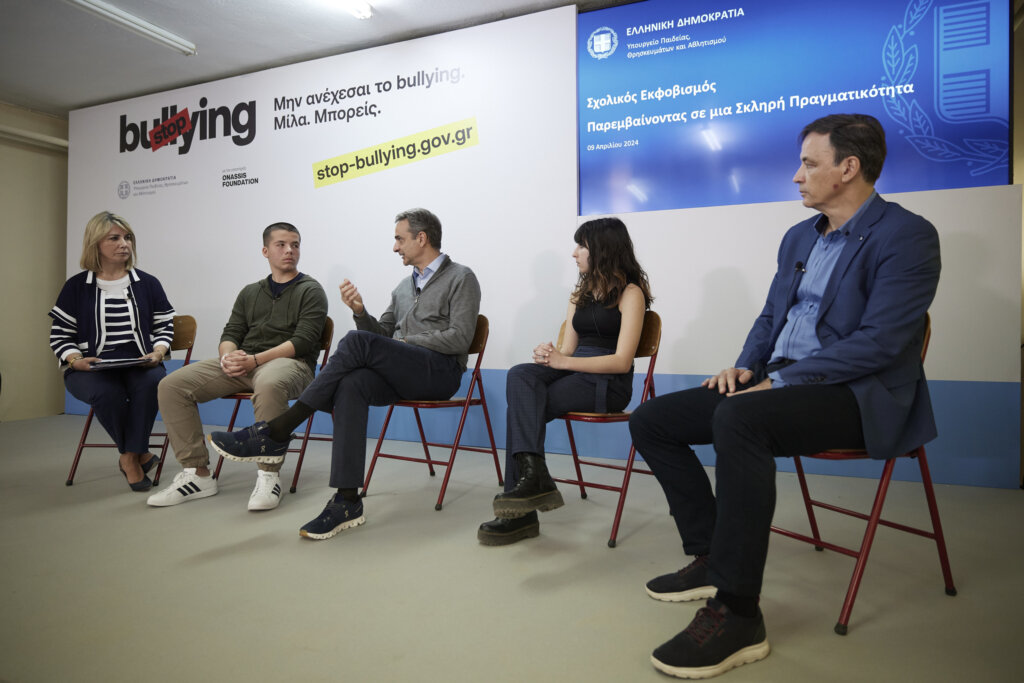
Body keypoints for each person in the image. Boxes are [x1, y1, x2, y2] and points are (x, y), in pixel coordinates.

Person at [627, 113, 941, 679]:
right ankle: (711, 555)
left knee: (740, 419)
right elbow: (772, 316)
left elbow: (882, 342)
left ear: (849, 168)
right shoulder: (799, 236)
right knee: (653, 419)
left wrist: (786, 381)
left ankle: (738, 612)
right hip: (777, 379)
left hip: (857, 395)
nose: (797, 176)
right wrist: (746, 367)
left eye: (809, 164)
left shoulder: (908, 235)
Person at [208, 208, 481, 541]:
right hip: (404, 372)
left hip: (439, 373)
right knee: (352, 383)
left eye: (399, 239)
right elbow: (380, 336)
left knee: (355, 342)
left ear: (421, 238)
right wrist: (360, 312)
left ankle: (278, 429)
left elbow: (460, 338)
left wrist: (405, 341)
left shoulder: (461, 277)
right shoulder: (403, 286)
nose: (395, 247)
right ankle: (347, 500)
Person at [477, 217, 653, 545]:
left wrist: (564, 362)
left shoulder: (631, 294)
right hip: (575, 371)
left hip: (608, 382)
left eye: (581, 246)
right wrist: (550, 355)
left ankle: (518, 513)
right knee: (520, 375)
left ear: (603, 249)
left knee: (523, 406)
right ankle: (534, 479)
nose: (574, 253)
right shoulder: (580, 294)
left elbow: (621, 361)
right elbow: (568, 349)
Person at [147, 222, 327, 510]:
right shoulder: (250, 292)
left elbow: (303, 341)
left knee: (269, 384)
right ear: (265, 251)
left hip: (290, 365)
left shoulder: (311, 290)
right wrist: (227, 358)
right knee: (172, 386)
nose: (289, 250)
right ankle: (197, 474)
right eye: (281, 244)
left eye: (295, 245)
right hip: (245, 363)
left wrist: (254, 360)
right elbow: (231, 332)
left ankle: (269, 476)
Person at [49, 211, 175, 492]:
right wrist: (75, 360)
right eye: (114, 238)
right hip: (90, 368)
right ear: (95, 244)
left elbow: (164, 326)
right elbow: (60, 335)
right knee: (107, 393)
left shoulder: (148, 283)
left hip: (140, 362)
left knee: (153, 383)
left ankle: (128, 457)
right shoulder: (76, 287)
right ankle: (138, 454)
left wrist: (158, 352)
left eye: (127, 237)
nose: (124, 244)